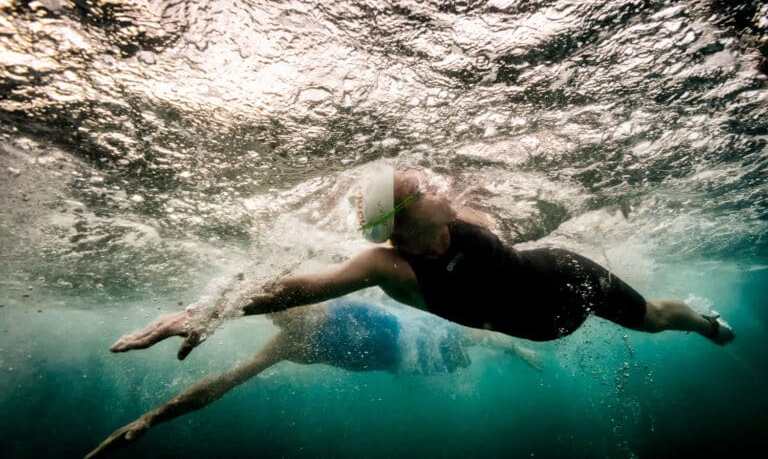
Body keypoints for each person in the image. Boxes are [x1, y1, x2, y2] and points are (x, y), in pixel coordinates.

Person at [109, 165, 734, 363]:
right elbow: (299, 286)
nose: (438, 185)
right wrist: (209, 310)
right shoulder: (387, 265)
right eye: (422, 185)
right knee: (644, 317)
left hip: (567, 277)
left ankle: (707, 325)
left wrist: (603, 197)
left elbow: (542, 214)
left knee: (652, 317)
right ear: (411, 214)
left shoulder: (462, 213)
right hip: (540, 324)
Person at [85, 298, 542, 458]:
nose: (287, 321)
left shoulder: (327, 297)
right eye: (280, 319)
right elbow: (224, 382)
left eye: (290, 312)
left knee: (474, 339)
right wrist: (153, 416)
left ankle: (517, 346)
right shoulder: (287, 346)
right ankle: (506, 346)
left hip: (421, 331)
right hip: (407, 361)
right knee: (459, 358)